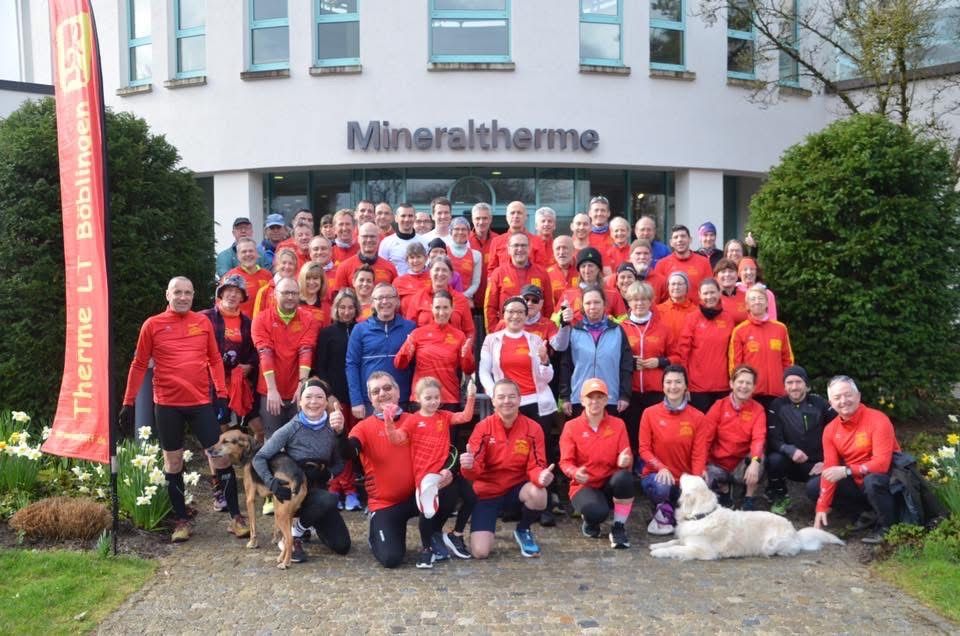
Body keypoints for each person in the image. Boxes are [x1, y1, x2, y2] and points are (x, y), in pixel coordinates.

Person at [119, 277, 233, 542]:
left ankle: (236, 518)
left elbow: (215, 360)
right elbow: (138, 365)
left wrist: (222, 395)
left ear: (193, 296)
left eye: (188, 293)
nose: (182, 297)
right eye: (177, 292)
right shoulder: (153, 324)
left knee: (220, 457)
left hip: (200, 403)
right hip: (168, 404)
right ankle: (181, 520)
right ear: (167, 295)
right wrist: (128, 402)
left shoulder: (202, 322)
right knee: (173, 461)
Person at [253, 378, 351, 563]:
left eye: (319, 397)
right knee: (329, 499)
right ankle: (292, 534)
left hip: (318, 493)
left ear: (326, 401)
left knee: (342, 545)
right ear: (300, 401)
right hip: (294, 491)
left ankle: (305, 525)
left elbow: (341, 462)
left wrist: (329, 473)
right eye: (308, 397)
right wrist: (270, 482)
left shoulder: (332, 427)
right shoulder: (291, 428)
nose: (313, 402)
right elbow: (260, 457)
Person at [384, 377, 477, 567]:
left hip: (444, 472)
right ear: (418, 399)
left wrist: (471, 396)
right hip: (425, 477)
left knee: (471, 497)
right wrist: (388, 421)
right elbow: (395, 439)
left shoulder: (443, 416)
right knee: (427, 513)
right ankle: (426, 549)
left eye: (436, 397)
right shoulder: (412, 421)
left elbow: (466, 417)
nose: (433, 401)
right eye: (428, 398)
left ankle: (455, 534)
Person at [461, 379, 554, 559]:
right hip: (487, 493)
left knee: (539, 493)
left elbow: (536, 464)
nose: (507, 401)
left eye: (512, 396)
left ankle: (523, 529)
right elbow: (474, 471)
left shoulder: (533, 428)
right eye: (501, 397)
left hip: (515, 490)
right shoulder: (482, 428)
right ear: (493, 401)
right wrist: (469, 466)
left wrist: (540, 476)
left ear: (520, 399)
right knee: (480, 553)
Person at [811, 375, 901, 544]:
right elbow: (830, 469)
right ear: (831, 404)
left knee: (872, 481)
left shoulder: (878, 419)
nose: (843, 401)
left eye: (848, 395)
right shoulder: (830, 430)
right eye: (837, 398)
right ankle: (867, 513)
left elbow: (882, 465)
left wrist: (846, 470)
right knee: (814, 487)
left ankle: (888, 527)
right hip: (858, 480)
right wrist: (821, 508)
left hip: (887, 481)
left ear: (858, 396)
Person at [341, 372, 418, 568]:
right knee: (391, 559)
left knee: (450, 490)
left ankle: (433, 537)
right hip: (385, 504)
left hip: (416, 499)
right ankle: (380, 532)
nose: (382, 394)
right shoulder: (363, 428)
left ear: (397, 391)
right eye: (376, 391)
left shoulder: (416, 420)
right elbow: (349, 452)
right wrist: (339, 433)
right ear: (370, 398)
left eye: (387, 388)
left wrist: (446, 473)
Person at [559, 378, 635, 549]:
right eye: (590, 397)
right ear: (582, 399)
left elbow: (626, 455)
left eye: (600, 397)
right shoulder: (571, 427)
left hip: (609, 482)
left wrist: (625, 461)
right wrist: (575, 472)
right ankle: (590, 521)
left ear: (606, 400)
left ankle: (618, 527)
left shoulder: (618, 424)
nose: (595, 401)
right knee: (596, 513)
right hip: (584, 485)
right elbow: (565, 462)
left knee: (625, 477)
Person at [638, 365, 710, 535]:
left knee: (706, 482)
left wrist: (696, 479)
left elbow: (699, 453)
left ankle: (672, 507)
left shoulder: (698, 417)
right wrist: (660, 467)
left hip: (683, 481)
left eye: (678, 382)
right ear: (662, 386)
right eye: (668, 382)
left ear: (686, 386)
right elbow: (644, 449)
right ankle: (660, 506)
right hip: (656, 477)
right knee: (662, 485)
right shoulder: (649, 413)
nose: (673, 387)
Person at [313, 289, 363, 511]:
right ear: (335, 309)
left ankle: (351, 490)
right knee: (334, 442)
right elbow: (320, 367)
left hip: (357, 396)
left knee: (351, 443)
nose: (346, 311)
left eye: (350, 308)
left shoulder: (361, 330)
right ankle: (335, 487)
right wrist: (328, 394)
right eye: (342, 307)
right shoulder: (327, 333)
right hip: (335, 396)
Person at [252, 278, 319, 441]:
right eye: (286, 293)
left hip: (297, 390)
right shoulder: (261, 319)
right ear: (275, 294)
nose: (290, 297)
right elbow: (265, 353)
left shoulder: (308, 319)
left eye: (294, 293)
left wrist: (302, 385)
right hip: (271, 390)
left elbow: (306, 351)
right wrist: (272, 390)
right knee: (273, 441)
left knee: (300, 439)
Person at [765, 365, 833, 516]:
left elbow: (838, 433)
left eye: (798, 382)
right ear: (784, 386)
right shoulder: (777, 405)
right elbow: (774, 438)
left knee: (814, 490)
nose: (794, 387)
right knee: (774, 459)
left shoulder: (820, 404)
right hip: (790, 462)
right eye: (789, 383)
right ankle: (780, 497)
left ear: (806, 385)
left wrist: (828, 462)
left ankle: (824, 502)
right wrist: (790, 450)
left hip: (817, 464)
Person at [619, 281, 676, 459]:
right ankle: (636, 464)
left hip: (656, 391)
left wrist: (659, 362)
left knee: (656, 431)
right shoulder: (621, 328)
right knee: (633, 430)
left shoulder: (663, 328)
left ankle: (655, 464)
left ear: (651, 301)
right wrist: (629, 362)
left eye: (644, 299)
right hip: (632, 391)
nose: (639, 303)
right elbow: (615, 358)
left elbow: (678, 357)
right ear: (628, 302)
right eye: (635, 299)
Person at [200, 274, 258, 448]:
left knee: (255, 426)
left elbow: (256, 350)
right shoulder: (204, 317)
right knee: (218, 428)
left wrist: (250, 365)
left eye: (237, 292)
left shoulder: (248, 323)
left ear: (242, 297)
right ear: (221, 293)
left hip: (238, 382)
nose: (232, 295)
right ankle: (221, 471)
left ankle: (250, 463)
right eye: (228, 291)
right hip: (211, 381)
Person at [557, 286, 632, 419]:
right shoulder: (574, 331)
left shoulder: (618, 331)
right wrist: (565, 396)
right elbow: (565, 366)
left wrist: (624, 395)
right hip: (580, 398)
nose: (592, 306)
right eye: (588, 303)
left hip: (610, 398)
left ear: (604, 304)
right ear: (582, 306)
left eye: (597, 302)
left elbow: (625, 366)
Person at [395, 289, 476, 410]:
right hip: (421, 398)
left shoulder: (459, 336)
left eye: (445, 307)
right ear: (431, 308)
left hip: (449, 398)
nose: (441, 312)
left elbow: (468, 370)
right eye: (437, 307)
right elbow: (399, 365)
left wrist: (467, 355)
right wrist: (406, 350)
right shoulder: (417, 334)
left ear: (452, 308)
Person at [345, 283, 415, 418]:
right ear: (373, 302)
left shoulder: (410, 328)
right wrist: (356, 400)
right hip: (371, 400)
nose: (385, 302)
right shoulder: (360, 330)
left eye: (390, 297)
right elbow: (351, 365)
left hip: (402, 399)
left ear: (397, 301)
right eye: (380, 298)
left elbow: (416, 365)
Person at [704, 364, 767, 510]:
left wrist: (755, 462)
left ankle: (748, 498)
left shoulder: (758, 409)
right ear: (732, 384)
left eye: (748, 383)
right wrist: (701, 465)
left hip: (740, 465)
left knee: (760, 457)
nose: (744, 386)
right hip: (718, 463)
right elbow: (705, 437)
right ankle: (725, 490)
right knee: (703, 477)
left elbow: (759, 438)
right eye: (740, 382)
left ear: (754, 387)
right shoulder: (719, 406)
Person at [729, 284, 794, 407]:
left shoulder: (780, 328)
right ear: (747, 305)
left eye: (760, 298)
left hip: (778, 392)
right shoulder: (739, 331)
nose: (757, 302)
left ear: (767, 303)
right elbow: (735, 364)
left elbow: (787, 360)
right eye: (752, 299)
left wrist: (787, 385)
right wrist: (738, 389)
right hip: (751, 393)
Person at [677, 278, 735, 414]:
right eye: (706, 293)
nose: (709, 297)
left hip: (723, 385)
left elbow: (733, 352)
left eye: (713, 292)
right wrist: (684, 383)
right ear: (699, 295)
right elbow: (683, 352)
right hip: (697, 387)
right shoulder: (692, 318)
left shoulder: (728, 318)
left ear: (719, 293)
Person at [483, 232, 553, 332]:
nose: (520, 249)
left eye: (523, 245)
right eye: (516, 245)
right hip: (506, 332)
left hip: (536, 333)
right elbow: (490, 307)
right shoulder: (498, 273)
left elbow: (549, 306)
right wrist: (493, 332)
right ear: (509, 249)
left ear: (529, 249)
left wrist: (546, 331)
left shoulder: (542, 273)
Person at [401, 256, 475, 338]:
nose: (440, 274)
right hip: (423, 348)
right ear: (429, 273)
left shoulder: (461, 299)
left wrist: (466, 348)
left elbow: (469, 331)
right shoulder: (418, 297)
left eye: (444, 270)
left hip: (453, 348)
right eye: (437, 270)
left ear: (451, 275)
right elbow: (409, 330)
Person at [554, 246, 625, 322]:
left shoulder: (613, 293)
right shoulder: (568, 294)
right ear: (579, 270)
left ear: (598, 268)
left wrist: (610, 321)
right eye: (583, 266)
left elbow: (624, 322)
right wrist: (563, 317)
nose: (587, 270)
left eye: (590, 266)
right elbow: (554, 321)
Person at [653, 225, 714, 302]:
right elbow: (658, 294)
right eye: (676, 237)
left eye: (683, 236)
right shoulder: (661, 264)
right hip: (670, 312)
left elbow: (709, 289)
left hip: (697, 311)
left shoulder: (704, 262)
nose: (679, 240)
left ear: (690, 240)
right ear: (671, 243)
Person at [333, 222, 398, 292]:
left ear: (379, 239)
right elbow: (339, 298)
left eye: (372, 236)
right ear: (358, 239)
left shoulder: (390, 267)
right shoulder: (344, 267)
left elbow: (395, 297)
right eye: (365, 236)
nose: (369, 240)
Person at [486, 201, 548, 273]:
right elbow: (491, 270)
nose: (515, 216)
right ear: (506, 217)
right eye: (512, 213)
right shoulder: (496, 241)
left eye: (519, 213)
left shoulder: (537, 241)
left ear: (525, 217)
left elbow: (541, 269)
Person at [224, 237, 273, 318]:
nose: (248, 254)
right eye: (244, 252)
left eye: (251, 251)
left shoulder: (267, 275)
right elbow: (221, 305)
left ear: (257, 254)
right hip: (241, 325)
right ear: (238, 256)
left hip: (263, 325)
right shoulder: (230, 276)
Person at [468, 202, 499, 312]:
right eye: (478, 218)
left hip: (493, 302)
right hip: (469, 302)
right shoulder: (464, 241)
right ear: (472, 219)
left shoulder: (499, 241)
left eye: (485, 218)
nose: (481, 222)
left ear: (490, 219)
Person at [252, 247, 299, 317]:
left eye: (291, 263)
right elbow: (256, 319)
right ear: (277, 265)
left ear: (295, 267)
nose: (287, 266)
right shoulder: (264, 291)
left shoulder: (300, 290)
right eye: (284, 263)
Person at [378, 202, 423, 274]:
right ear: (396, 218)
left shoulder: (424, 242)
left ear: (415, 218)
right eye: (403, 216)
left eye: (410, 216)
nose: (407, 219)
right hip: (395, 284)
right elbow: (382, 269)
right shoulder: (386, 243)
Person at [447, 217, 483, 304]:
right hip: (445, 300)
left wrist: (462, 296)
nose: (460, 232)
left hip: (465, 300)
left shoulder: (476, 255)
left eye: (464, 229)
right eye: (456, 229)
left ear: (469, 232)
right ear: (451, 232)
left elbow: (476, 283)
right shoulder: (443, 251)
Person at [655, 271, 697, 342]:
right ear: (668, 287)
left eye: (680, 284)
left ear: (687, 287)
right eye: (673, 284)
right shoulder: (657, 310)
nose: (676, 287)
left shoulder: (696, 311)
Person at [546, 235, 579, 307]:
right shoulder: (547, 274)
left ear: (573, 250)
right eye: (558, 248)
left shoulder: (582, 271)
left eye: (565, 248)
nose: (561, 252)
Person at [298, 261, 331, 328]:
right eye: (307, 278)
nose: (311, 282)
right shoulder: (294, 303)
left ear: (321, 281)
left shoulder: (326, 307)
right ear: (302, 280)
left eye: (315, 278)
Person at [714, 258, 747, 323]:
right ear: (716, 277)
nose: (727, 274)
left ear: (737, 275)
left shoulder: (746, 297)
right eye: (723, 272)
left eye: (731, 271)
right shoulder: (712, 298)